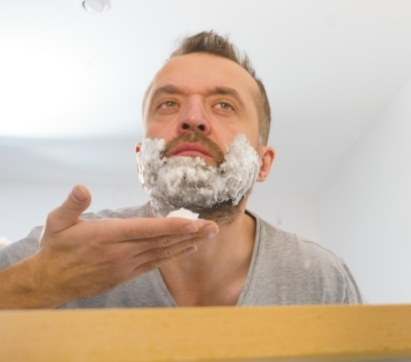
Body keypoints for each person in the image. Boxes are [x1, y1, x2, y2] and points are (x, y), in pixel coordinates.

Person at [0, 31, 364, 309]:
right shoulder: (63, 253)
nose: (193, 119)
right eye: (169, 103)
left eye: (223, 105)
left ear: (262, 163)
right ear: (140, 160)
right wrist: (39, 280)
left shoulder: (320, 281)